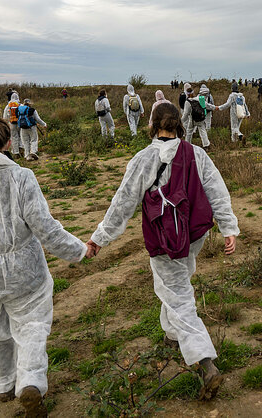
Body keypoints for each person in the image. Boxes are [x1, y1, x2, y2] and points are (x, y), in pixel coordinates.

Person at [86, 102, 239, 401]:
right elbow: (217, 191)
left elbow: (123, 203)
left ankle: (205, 360)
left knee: (178, 294)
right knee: (173, 283)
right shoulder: (197, 153)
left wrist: (99, 238)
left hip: (163, 238)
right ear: (178, 124)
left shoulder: (144, 158)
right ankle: (172, 336)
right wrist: (228, 227)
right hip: (193, 235)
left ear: (153, 125)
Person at [0, 108, 87, 418]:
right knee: (31, 325)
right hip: (22, 269)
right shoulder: (21, 177)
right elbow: (44, 227)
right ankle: (29, 382)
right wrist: (78, 250)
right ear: (8, 143)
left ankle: (2, 385)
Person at [182, 85, 217, 150]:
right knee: (203, 131)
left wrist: (181, 122)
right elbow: (207, 105)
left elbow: (185, 114)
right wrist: (215, 107)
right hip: (200, 118)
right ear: (193, 92)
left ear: (187, 94)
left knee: (189, 132)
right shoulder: (199, 99)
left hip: (192, 119)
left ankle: (187, 145)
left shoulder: (187, 102)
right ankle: (206, 145)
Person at [2, 93, 22, 158]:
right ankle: (21, 148)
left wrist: (6, 123)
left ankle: (16, 152)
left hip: (12, 123)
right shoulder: (20, 105)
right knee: (20, 135)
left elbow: (5, 117)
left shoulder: (8, 106)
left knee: (14, 137)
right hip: (20, 123)